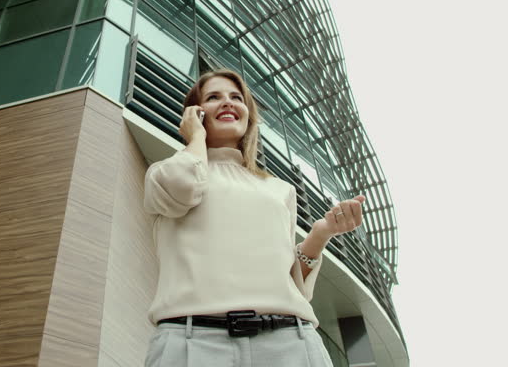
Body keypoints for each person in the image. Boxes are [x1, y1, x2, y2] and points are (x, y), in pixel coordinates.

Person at [142, 68, 365, 367]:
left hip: (289, 343)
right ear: (195, 113)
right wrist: (195, 138)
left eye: (236, 97)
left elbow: (294, 288)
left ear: (248, 115)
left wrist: (319, 235)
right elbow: (182, 188)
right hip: (192, 343)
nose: (227, 103)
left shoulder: (279, 189)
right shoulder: (165, 173)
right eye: (213, 97)